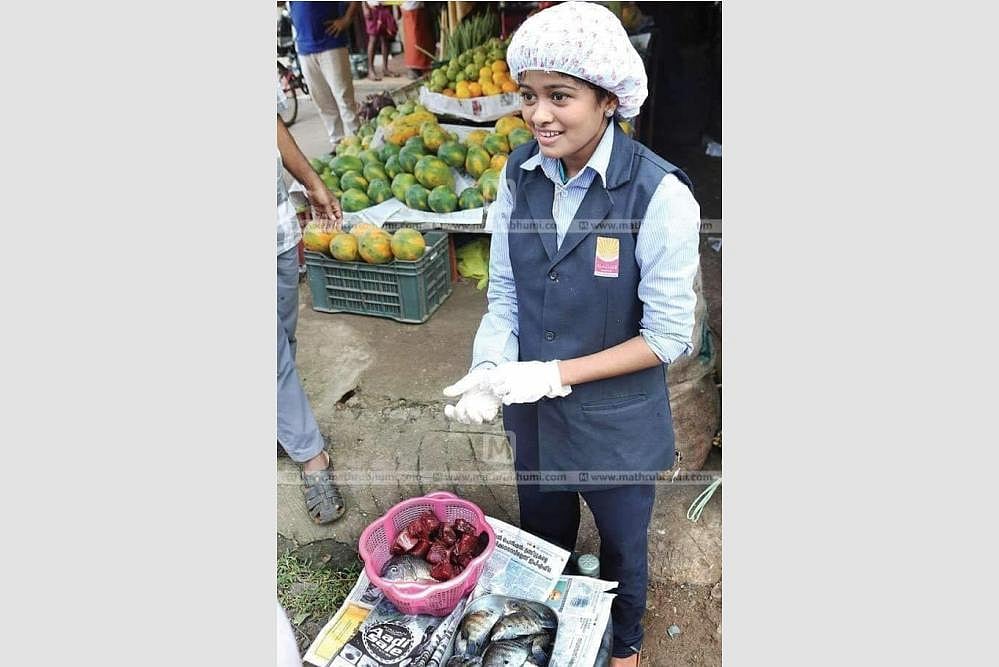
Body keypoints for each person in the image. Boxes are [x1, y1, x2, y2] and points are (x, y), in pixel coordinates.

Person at [441, 3, 701, 665]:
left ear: (609, 99)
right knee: (546, 535)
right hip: (535, 419)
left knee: (621, 549)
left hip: (614, 423)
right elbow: (505, 292)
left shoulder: (658, 195)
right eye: (528, 96)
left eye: (561, 96)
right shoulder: (519, 175)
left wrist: (554, 373)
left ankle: (626, 650)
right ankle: (552, 636)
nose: (538, 115)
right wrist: (491, 366)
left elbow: (668, 335)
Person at [278, 83, 347, 524]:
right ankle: (311, 455)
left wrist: (314, 183)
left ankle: (279, 421)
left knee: (283, 337)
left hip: (277, 232)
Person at [287, 1, 360, 149]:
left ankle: (357, 142)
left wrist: (347, 19)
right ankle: (337, 143)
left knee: (344, 97)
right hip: (304, 47)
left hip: (331, 44)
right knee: (322, 101)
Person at [362, 1, 397, 81]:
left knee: (385, 38)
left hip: (385, 6)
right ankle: (370, 70)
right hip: (372, 8)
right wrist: (364, 6)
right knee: (373, 39)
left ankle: (385, 68)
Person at [399, 1, 433, 79]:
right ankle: (414, 67)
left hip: (415, 6)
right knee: (415, 38)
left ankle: (420, 66)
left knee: (419, 38)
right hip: (411, 7)